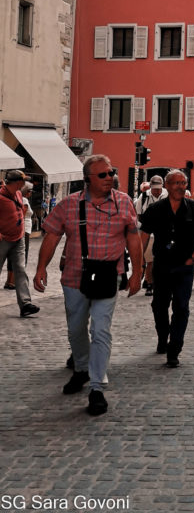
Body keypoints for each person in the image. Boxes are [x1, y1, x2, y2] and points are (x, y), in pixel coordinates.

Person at [33, 155, 142, 415]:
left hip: (108, 275)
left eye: (111, 172)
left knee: (101, 330)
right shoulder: (69, 205)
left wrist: (137, 272)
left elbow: (134, 239)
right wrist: (40, 268)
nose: (110, 178)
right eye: (103, 175)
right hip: (74, 276)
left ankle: (96, 388)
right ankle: (81, 368)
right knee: (75, 329)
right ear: (87, 179)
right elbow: (51, 237)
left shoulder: (124, 202)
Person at [138, 169, 194, 368]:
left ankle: (174, 349)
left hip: (184, 266)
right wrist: (139, 264)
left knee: (181, 308)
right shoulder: (156, 209)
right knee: (159, 306)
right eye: (175, 183)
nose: (179, 186)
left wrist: (193, 258)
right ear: (167, 186)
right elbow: (143, 236)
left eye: (183, 183)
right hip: (161, 266)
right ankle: (163, 336)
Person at [0, 170, 39, 317]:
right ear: (17, 182)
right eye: (23, 181)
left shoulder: (17, 193)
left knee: (20, 269)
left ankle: (25, 304)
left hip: (18, 238)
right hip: (3, 240)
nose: (25, 183)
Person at [136, 175, 167, 295]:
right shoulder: (144, 196)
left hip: (164, 232)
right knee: (150, 260)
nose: (157, 192)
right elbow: (138, 214)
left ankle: (159, 282)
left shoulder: (167, 195)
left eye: (159, 189)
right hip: (148, 232)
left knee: (162, 259)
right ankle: (149, 284)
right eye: (155, 189)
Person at [3, 179, 34, 291]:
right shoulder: (24, 200)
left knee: (12, 256)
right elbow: (21, 216)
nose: (31, 193)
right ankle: (13, 281)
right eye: (30, 190)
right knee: (20, 256)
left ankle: (10, 281)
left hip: (20, 230)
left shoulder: (18, 198)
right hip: (23, 230)